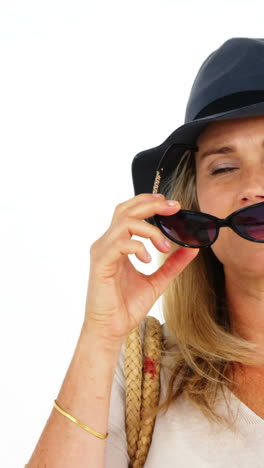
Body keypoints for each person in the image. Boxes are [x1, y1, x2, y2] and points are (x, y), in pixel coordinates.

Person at [25, 37, 264, 468]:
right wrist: (99, 336)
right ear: (194, 205)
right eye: (224, 167)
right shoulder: (140, 371)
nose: (253, 187)